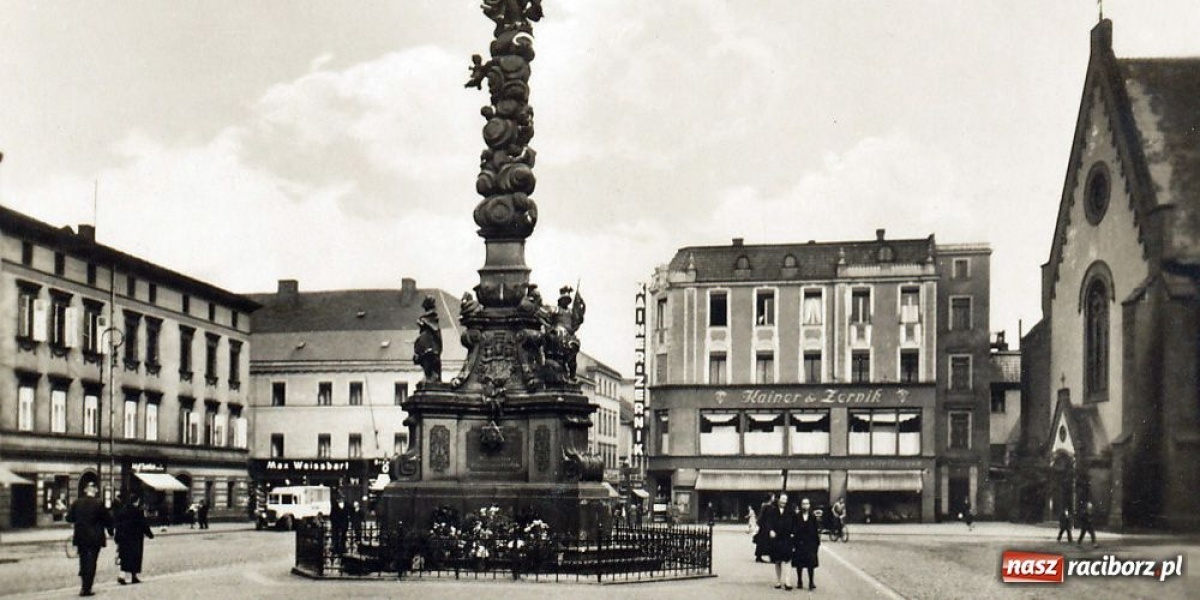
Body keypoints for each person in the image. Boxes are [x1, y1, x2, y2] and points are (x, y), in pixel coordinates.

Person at [67, 481, 113, 597]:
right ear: (96, 490)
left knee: (83, 561)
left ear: (85, 490)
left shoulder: (77, 502)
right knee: (92, 562)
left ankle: (83, 587)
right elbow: (107, 519)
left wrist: (78, 521)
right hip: (95, 537)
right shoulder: (98, 503)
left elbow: (69, 518)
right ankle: (87, 588)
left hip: (81, 536)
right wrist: (110, 531)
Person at [114, 494, 155, 585]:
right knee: (135, 557)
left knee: (124, 556)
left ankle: (122, 575)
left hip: (124, 538)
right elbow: (144, 524)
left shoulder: (123, 510)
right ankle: (134, 576)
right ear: (136, 501)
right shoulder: (138, 511)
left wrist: (117, 537)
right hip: (135, 538)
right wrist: (150, 535)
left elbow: (118, 525)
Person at [758, 492, 793, 590]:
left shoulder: (790, 511)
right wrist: (771, 530)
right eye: (782, 499)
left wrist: (793, 533)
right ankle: (778, 581)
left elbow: (794, 523)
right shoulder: (772, 511)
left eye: (785, 499)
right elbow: (768, 522)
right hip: (776, 538)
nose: (783, 501)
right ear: (778, 500)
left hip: (786, 537)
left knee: (788, 560)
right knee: (777, 560)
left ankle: (788, 581)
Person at [791, 498, 821, 591]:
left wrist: (817, 543)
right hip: (799, 543)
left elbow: (816, 530)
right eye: (803, 504)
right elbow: (793, 528)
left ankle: (811, 582)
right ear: (801, 505)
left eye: (807, 504)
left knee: (810, 563)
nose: (805, 506)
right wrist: (794, 542)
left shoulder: (813, 517)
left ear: (809, 505)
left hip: (810, 543)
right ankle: (799, 580)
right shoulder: (797, 516)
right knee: (799, 563)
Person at [753, 493, 775, 563]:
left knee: (763, 542)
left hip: (765, 526)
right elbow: (762, 517)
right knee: (768, 542)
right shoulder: (767, 506)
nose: (774, 498)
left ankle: (759, 556)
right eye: (773, 497)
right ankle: (770, 557)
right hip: (765, 527)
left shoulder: (766, 506)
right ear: (770, 498)